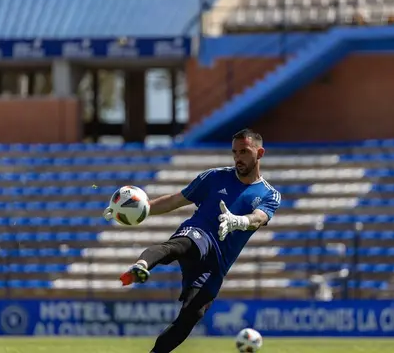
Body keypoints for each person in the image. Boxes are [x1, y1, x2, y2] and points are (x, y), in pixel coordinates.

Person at [116, 128, 281, 353]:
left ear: (259, 153)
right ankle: (141, 265)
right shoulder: (214, 177)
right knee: (181, 246)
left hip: (216, 265)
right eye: (234, 152)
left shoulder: (269, 194)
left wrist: (237, 221)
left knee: (191, 315)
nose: (237, 158)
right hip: (199, 233)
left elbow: (259, 218)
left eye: (244, 152)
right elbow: (175, 201)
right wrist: (140, 210)